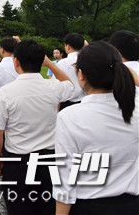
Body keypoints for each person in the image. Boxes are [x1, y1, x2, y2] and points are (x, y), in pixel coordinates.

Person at [0, 40, 75, 215]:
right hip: (49, 161)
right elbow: (70, 85)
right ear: (41, 61)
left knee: (18, 208)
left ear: (16, 62)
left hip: (18, 163)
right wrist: (50, 63)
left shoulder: (6, 92)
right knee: (47, 208)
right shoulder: (53, 86)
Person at [53, 41, 139, 215]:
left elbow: (65, 178)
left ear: (81, 75)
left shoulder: (69, 117)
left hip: (90, 206)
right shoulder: (136, 108)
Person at [57, 33, 86, 110]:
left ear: (68, 47)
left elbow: (57, 86)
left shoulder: (62, 63)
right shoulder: (87, 60)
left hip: (66, 104)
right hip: (85, 102)